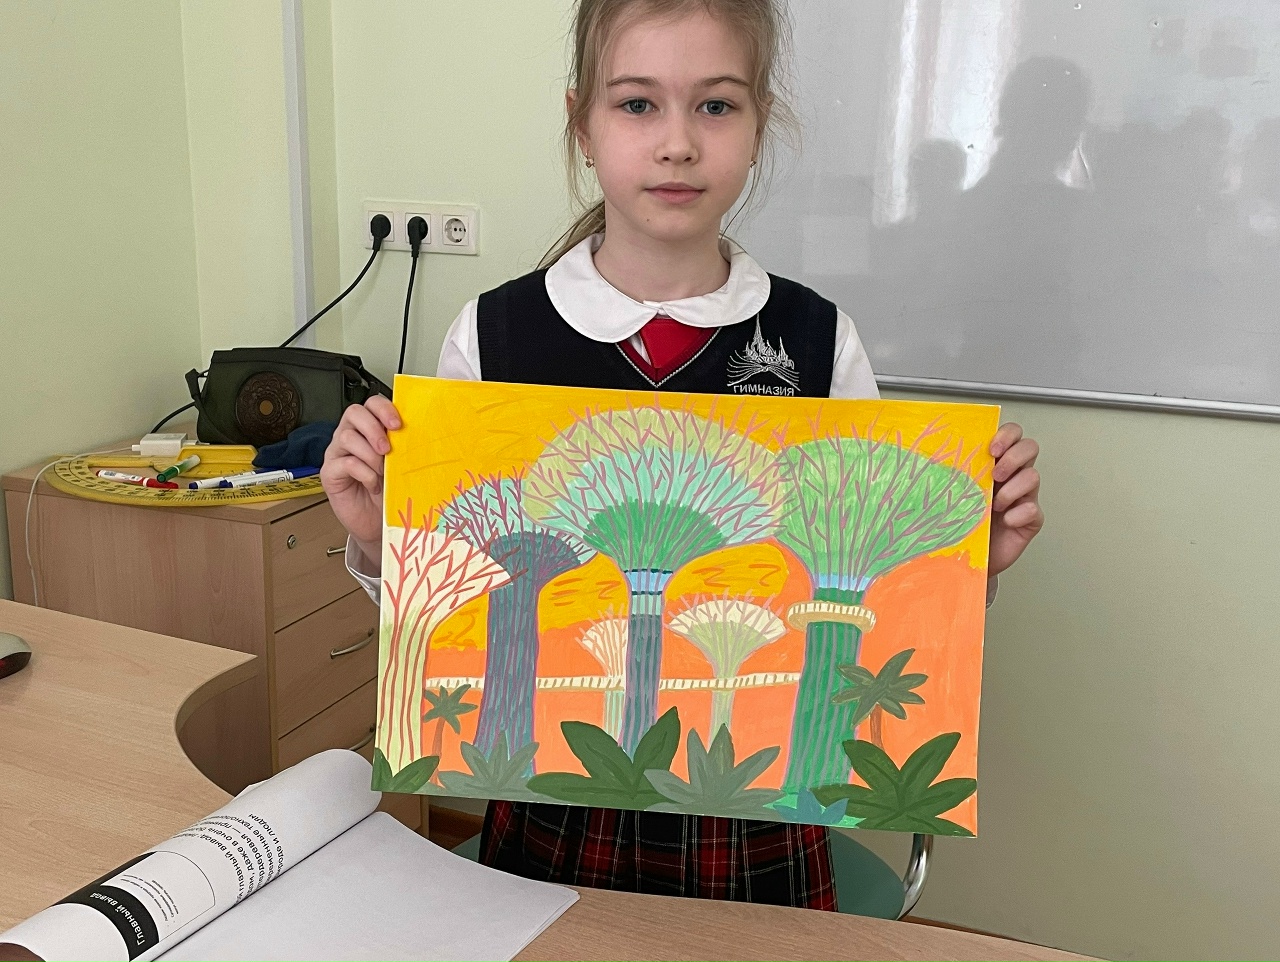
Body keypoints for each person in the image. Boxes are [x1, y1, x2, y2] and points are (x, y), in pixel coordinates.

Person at [321, 0, 1044, 912]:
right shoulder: (494, 337)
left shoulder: (818, 340)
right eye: (637, 104)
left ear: (759, 124)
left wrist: (970, 564)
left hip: (757, 826)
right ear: (582, 124)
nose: (677, 144)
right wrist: (378, 536)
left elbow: (881, 604)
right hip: (550, 813)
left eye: (716, 105)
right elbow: (456, 612)